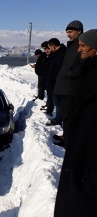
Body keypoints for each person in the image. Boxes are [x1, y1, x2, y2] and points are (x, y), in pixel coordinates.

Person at [54, 29, 97, 217]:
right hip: (82, 150)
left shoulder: (92, 74)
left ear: (95, 49)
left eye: (83, 46)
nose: (80, 49)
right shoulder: (89, 69)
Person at [52, 20, 84, 148]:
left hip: (71, 88)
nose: (68, 35)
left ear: (79, 31)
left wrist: (69, 74)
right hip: (65, 88)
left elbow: (83, 65)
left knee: (69, 116)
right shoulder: (72, 45)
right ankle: (66, 136)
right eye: (67, 32)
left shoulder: (81, 45)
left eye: (70, 32)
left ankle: (68, 142)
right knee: (66, 115)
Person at [45, 38, 66, 126]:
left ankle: (59, 119)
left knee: (58, 103)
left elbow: (57, 70)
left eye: (49, 48)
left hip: (57, 83)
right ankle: (58, 118)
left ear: (53, 47)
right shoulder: (59, 53)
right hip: (55, 82)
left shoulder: (60, 55)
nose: (49, 50)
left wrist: (51, 81)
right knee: (57, 102)